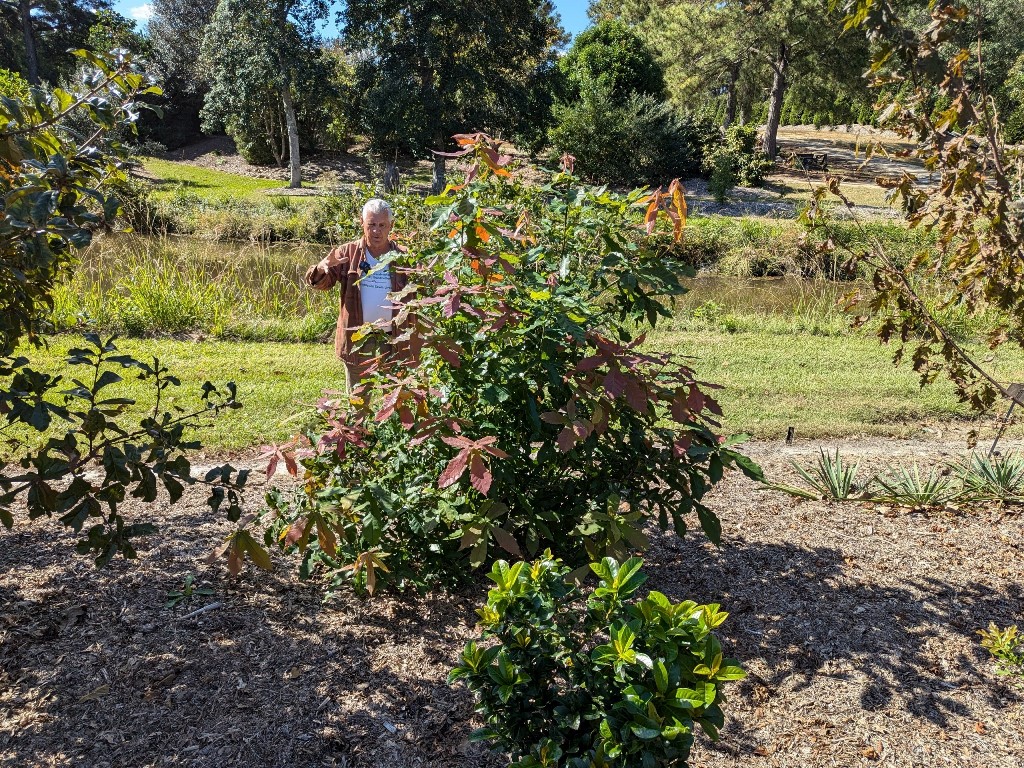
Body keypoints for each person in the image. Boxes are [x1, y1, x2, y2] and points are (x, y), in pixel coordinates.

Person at [305, 198, 408, 389]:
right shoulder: (348, 253)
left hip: (395, 339)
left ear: (391, 225)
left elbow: (425, 287)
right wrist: (320, 269)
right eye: (371, 224)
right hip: (358, 340)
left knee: (396, 401)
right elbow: (321, 283)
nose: (376, 230)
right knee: (358, 403)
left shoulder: (404, 257)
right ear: (362, 223)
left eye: (382, 225)